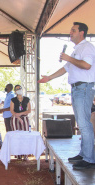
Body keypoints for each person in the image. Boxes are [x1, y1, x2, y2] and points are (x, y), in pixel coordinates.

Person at [38, 22, 95, 170]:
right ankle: (84, 154)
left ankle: (89, 159)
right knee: (82, 124)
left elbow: (87, 65)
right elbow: (65, 69)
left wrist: (69, 58)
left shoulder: (86, 47)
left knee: (84, 124)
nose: (70, 32)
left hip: (83, 88)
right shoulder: (76, 50)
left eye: (73, 30)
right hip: (77, 89)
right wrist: (49, 78)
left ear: (81, 33)